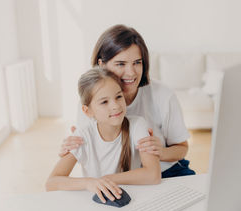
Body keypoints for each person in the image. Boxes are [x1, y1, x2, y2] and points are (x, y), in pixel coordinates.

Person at [59, 24, 195, 178]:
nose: (131, 73)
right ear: (101, 64)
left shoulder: (162, 95)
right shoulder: (91, 103)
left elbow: (182, 148)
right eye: (121, 64)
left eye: (137, 62)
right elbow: (89, 151)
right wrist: (73, 148)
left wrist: (161, 151)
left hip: (166, 171)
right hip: (119, 178)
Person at [46, 67, 161, 203]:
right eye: (104, 102)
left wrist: (107, 179)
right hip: (99, 203)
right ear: (87, 111)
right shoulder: (83, 136)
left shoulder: (138, 125)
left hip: (135, 199)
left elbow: (153, 175)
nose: (115, 106)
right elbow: (51, 183)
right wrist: (89, 183)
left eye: (118, 97)